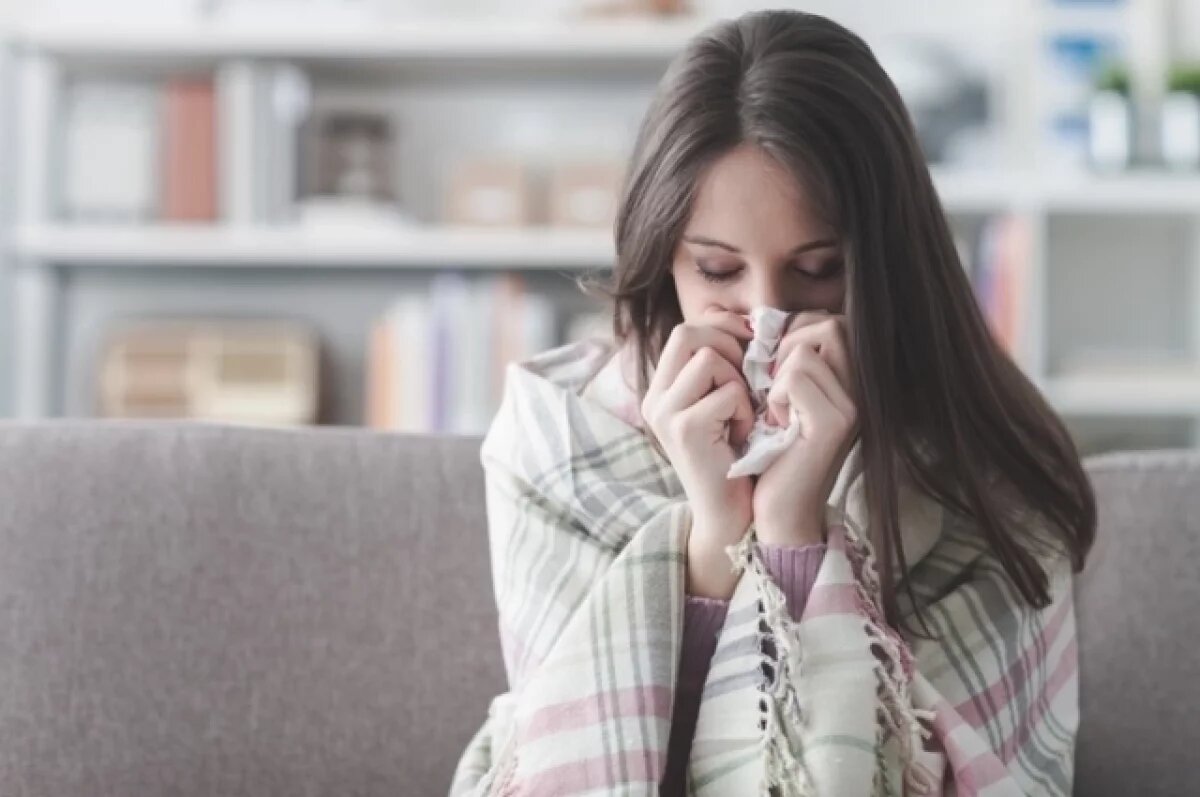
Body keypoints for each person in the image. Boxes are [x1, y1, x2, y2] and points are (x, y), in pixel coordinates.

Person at [451, 9, 1094, 796]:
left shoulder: (981, 465)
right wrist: (715, 534)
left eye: (818, 269)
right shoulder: (557, 438)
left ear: (886, 263)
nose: (767, 319)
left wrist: (794, 529)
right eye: (719, 271)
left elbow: (970, 772)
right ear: (664, 261)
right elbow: (586, 761)